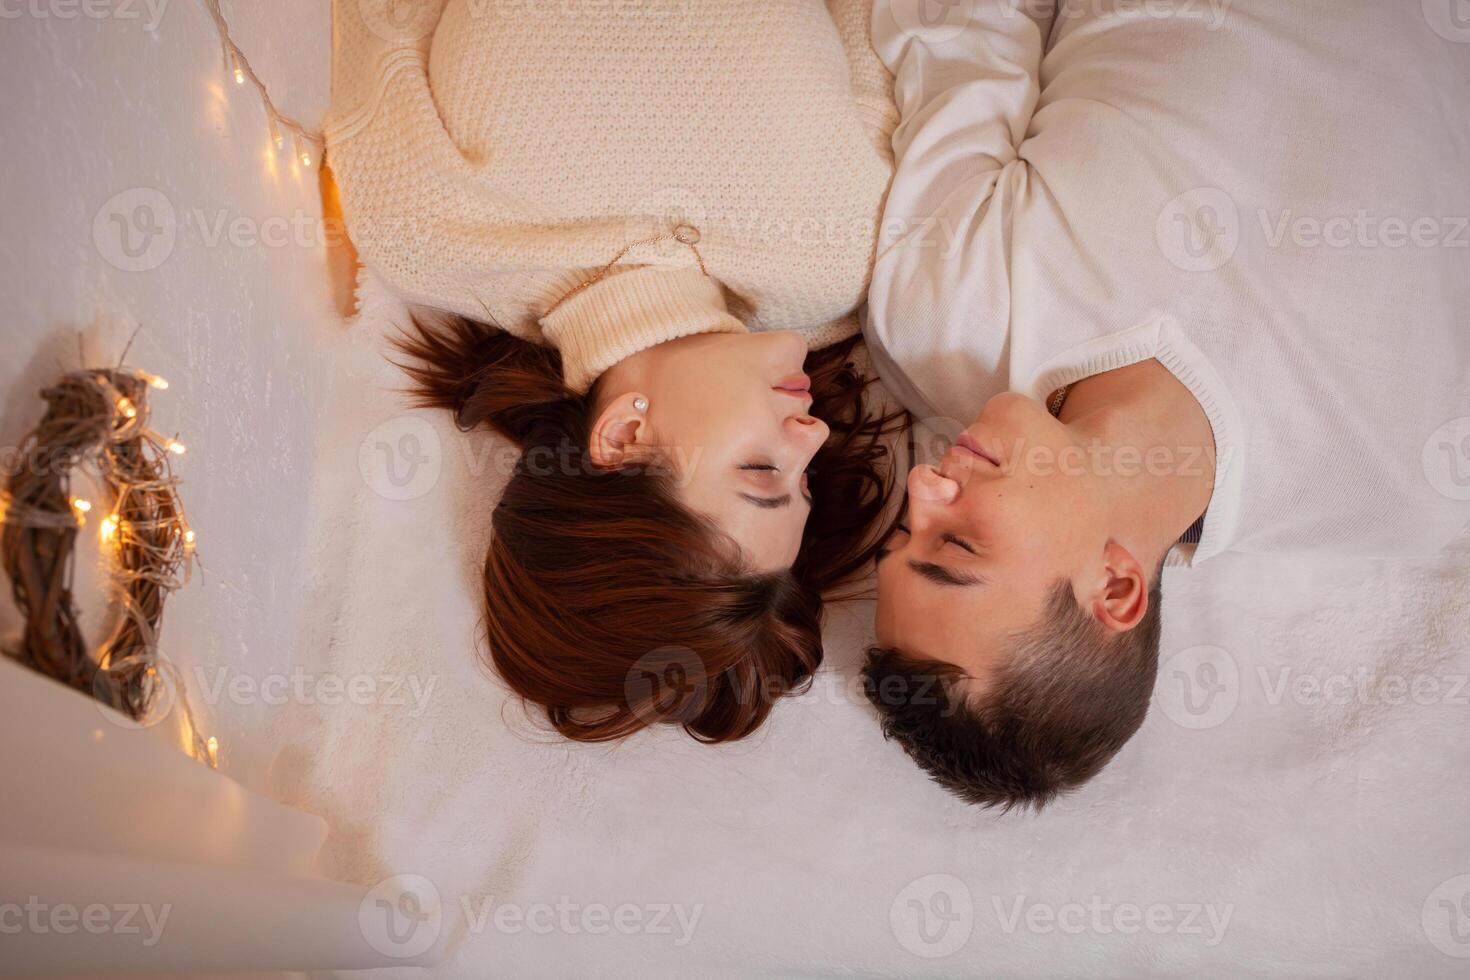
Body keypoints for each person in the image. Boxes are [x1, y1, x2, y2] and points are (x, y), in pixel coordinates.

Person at [861, 0, 1470, 807]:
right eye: (960, 545)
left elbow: (963, 23)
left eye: (908, 531)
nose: (924, 487)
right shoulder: (1414, 480)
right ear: (1116, 588)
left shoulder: (941, 321)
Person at [325, 0, 902, 742]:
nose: (813, 435)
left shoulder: (428, 232)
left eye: (763, 472)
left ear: (624, 436)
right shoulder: (844, 261)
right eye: (807, 482)